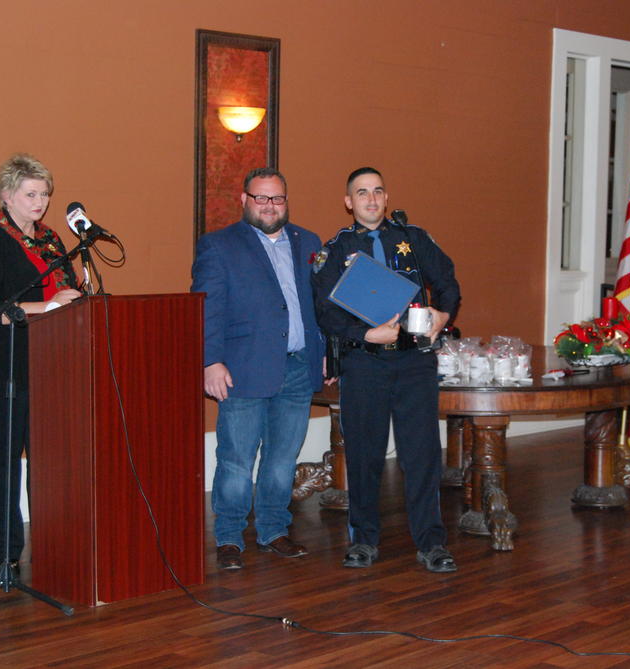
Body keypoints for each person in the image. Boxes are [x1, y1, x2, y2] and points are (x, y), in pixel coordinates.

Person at [311, 166, 461, 573]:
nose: (371, 200)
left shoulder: (412, 238)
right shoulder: (335, 251)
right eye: (362, 193)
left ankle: (431, 542)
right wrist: (365, 334)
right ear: (349, 202)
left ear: (386, 197)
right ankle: (363, 540)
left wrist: (442, 315)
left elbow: (447, 281)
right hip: (364, 364)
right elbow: (325, 313)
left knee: (422, 455)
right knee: (364, 455)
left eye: (377, 191)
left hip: (415, 362)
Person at [191, 167, 325, 570]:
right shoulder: (218, 245)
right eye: (261, 198)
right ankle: (230, 537)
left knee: (283, 458)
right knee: (236, 459)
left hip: (299, 368)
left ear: (286, 201)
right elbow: (206, 308)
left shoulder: (309, 243)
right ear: (244, 199)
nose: (270, 206)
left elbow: (321, 305)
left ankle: (273, 530)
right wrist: (209, 361)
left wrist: (325, 352)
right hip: (243, 368)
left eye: (277, 199)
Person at [0, 154, 81, 574]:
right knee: (5, 460)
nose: (41, 201)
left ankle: (52, 541)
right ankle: (6, 551)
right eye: (31, 194)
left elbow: (68, 291)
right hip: (8, 366)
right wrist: (49, 304)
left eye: (45, 193)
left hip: (52, 365)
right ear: (6, 196)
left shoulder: (51, 239)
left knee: (51, 460)